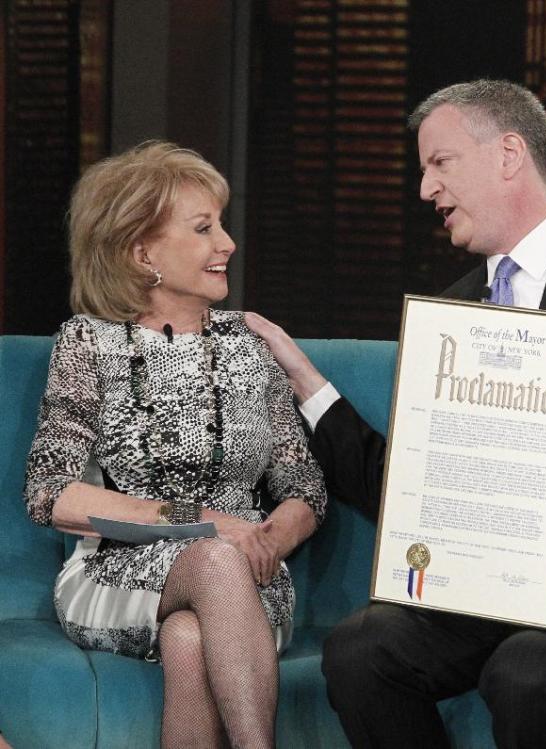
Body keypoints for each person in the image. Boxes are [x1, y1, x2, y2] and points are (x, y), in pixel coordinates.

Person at [246, 78, 546, 747]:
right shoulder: (454, 309)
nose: (425, 190)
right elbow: (404, 483)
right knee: (361, 650)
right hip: (486, 584)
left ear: (507, 155)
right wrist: (305, 380)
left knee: (526, 675)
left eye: (440, 164)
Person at [23, 141, 327, 748]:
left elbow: (304, 489)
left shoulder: (250, 344)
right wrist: (211, 525)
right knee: (214, 561)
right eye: (204, 228)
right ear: (142, 252)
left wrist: (265, 539)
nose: (228, 245)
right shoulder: (90, 342)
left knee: (190, 637)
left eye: (222, 224)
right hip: (119, 572)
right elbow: (51, 494)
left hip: (248, 575)